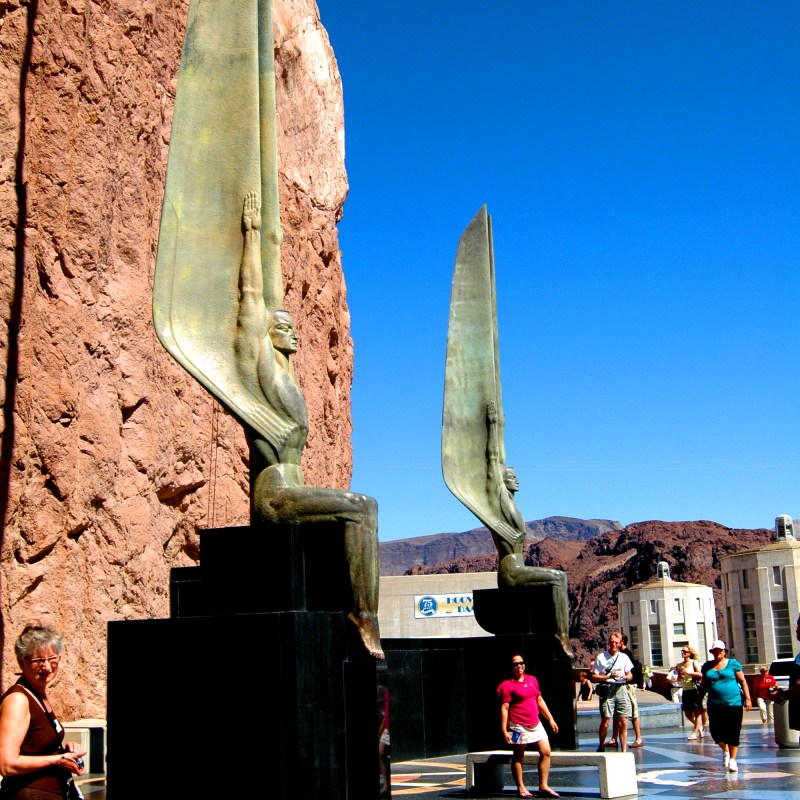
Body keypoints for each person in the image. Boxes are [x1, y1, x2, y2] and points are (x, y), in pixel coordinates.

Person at [235, 191, 382, 659]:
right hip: (274, 495)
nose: (293, 330)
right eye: (284, 325)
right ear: (264, 331)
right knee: (360, 507)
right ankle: (363, 617)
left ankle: (361, 614)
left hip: (293, 488)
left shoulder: (287, 379)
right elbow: (252, 297)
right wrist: (252, 236)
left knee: (365, 507)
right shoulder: (254, 366)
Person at [485, 402, 572, 657]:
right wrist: (493, 425)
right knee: (559, 578)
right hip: (511, 570)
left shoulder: (512, 505)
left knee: (558, 578)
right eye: (511, 476)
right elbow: (493, 459)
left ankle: (558, 632)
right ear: (503, 482)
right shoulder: (498, 500)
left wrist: (502, 424)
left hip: (518, 565)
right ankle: (561, 635)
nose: (516, 478)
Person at [0, 623, 87, 799]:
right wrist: (57, 760)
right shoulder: (18, 700)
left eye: (52, 659)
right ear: (21, 661)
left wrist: (64, 753)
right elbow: (6, 764)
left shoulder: (38, 693)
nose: (47, 667)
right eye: (38, 661)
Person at [498, 654, 560, 799]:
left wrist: (550, 719)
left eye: (521, 663)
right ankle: (521, 787)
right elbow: (505, 708)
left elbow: (539, 700)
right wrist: (504, 730)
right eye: (515, 664)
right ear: (511, 667)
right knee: (518, 755)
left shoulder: (532, 680)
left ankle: (543, 786)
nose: (519, 666)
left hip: (535, 723)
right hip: (518, 725)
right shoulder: (507, 685)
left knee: (546, 751)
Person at [698, 639, 752, 772]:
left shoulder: (733, 664)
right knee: (715, 732)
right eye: (714, 650)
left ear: (724, 651)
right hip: (714, 704)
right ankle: (725, 750)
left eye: (720, 650)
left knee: (733, 731)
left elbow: (743, 681)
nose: (717, 653)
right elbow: (704, 685)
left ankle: (733, 760)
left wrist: (748, 698)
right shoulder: (707, 666)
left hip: (734, 703)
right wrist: (699, 701)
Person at [591, 632, 633, 752]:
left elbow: (630, 674)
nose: (613, 644)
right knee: (606, 720)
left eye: (616, 642)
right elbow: (594, 677)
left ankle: (624, 750)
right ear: (608, 643)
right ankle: (601, 744)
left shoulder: (624, 657)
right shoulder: (601, 658)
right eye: (611, 642)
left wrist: (624, 677)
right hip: (607, 689)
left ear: (620, 644)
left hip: (621, 689)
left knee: (623, 720)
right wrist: (608, 676)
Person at [674, 646, 704, 739]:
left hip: (694, 689)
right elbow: (679, 678)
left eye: (685, 651)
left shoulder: (694, 662)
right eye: (682, 651)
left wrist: (689, 673)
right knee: (687, 713)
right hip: (685, 690)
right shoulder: (679, 665)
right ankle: (699, 727)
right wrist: (680, 677)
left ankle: (694, 733)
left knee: (697, 712)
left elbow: (700, 674)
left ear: (689, 653)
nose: (683, 653)